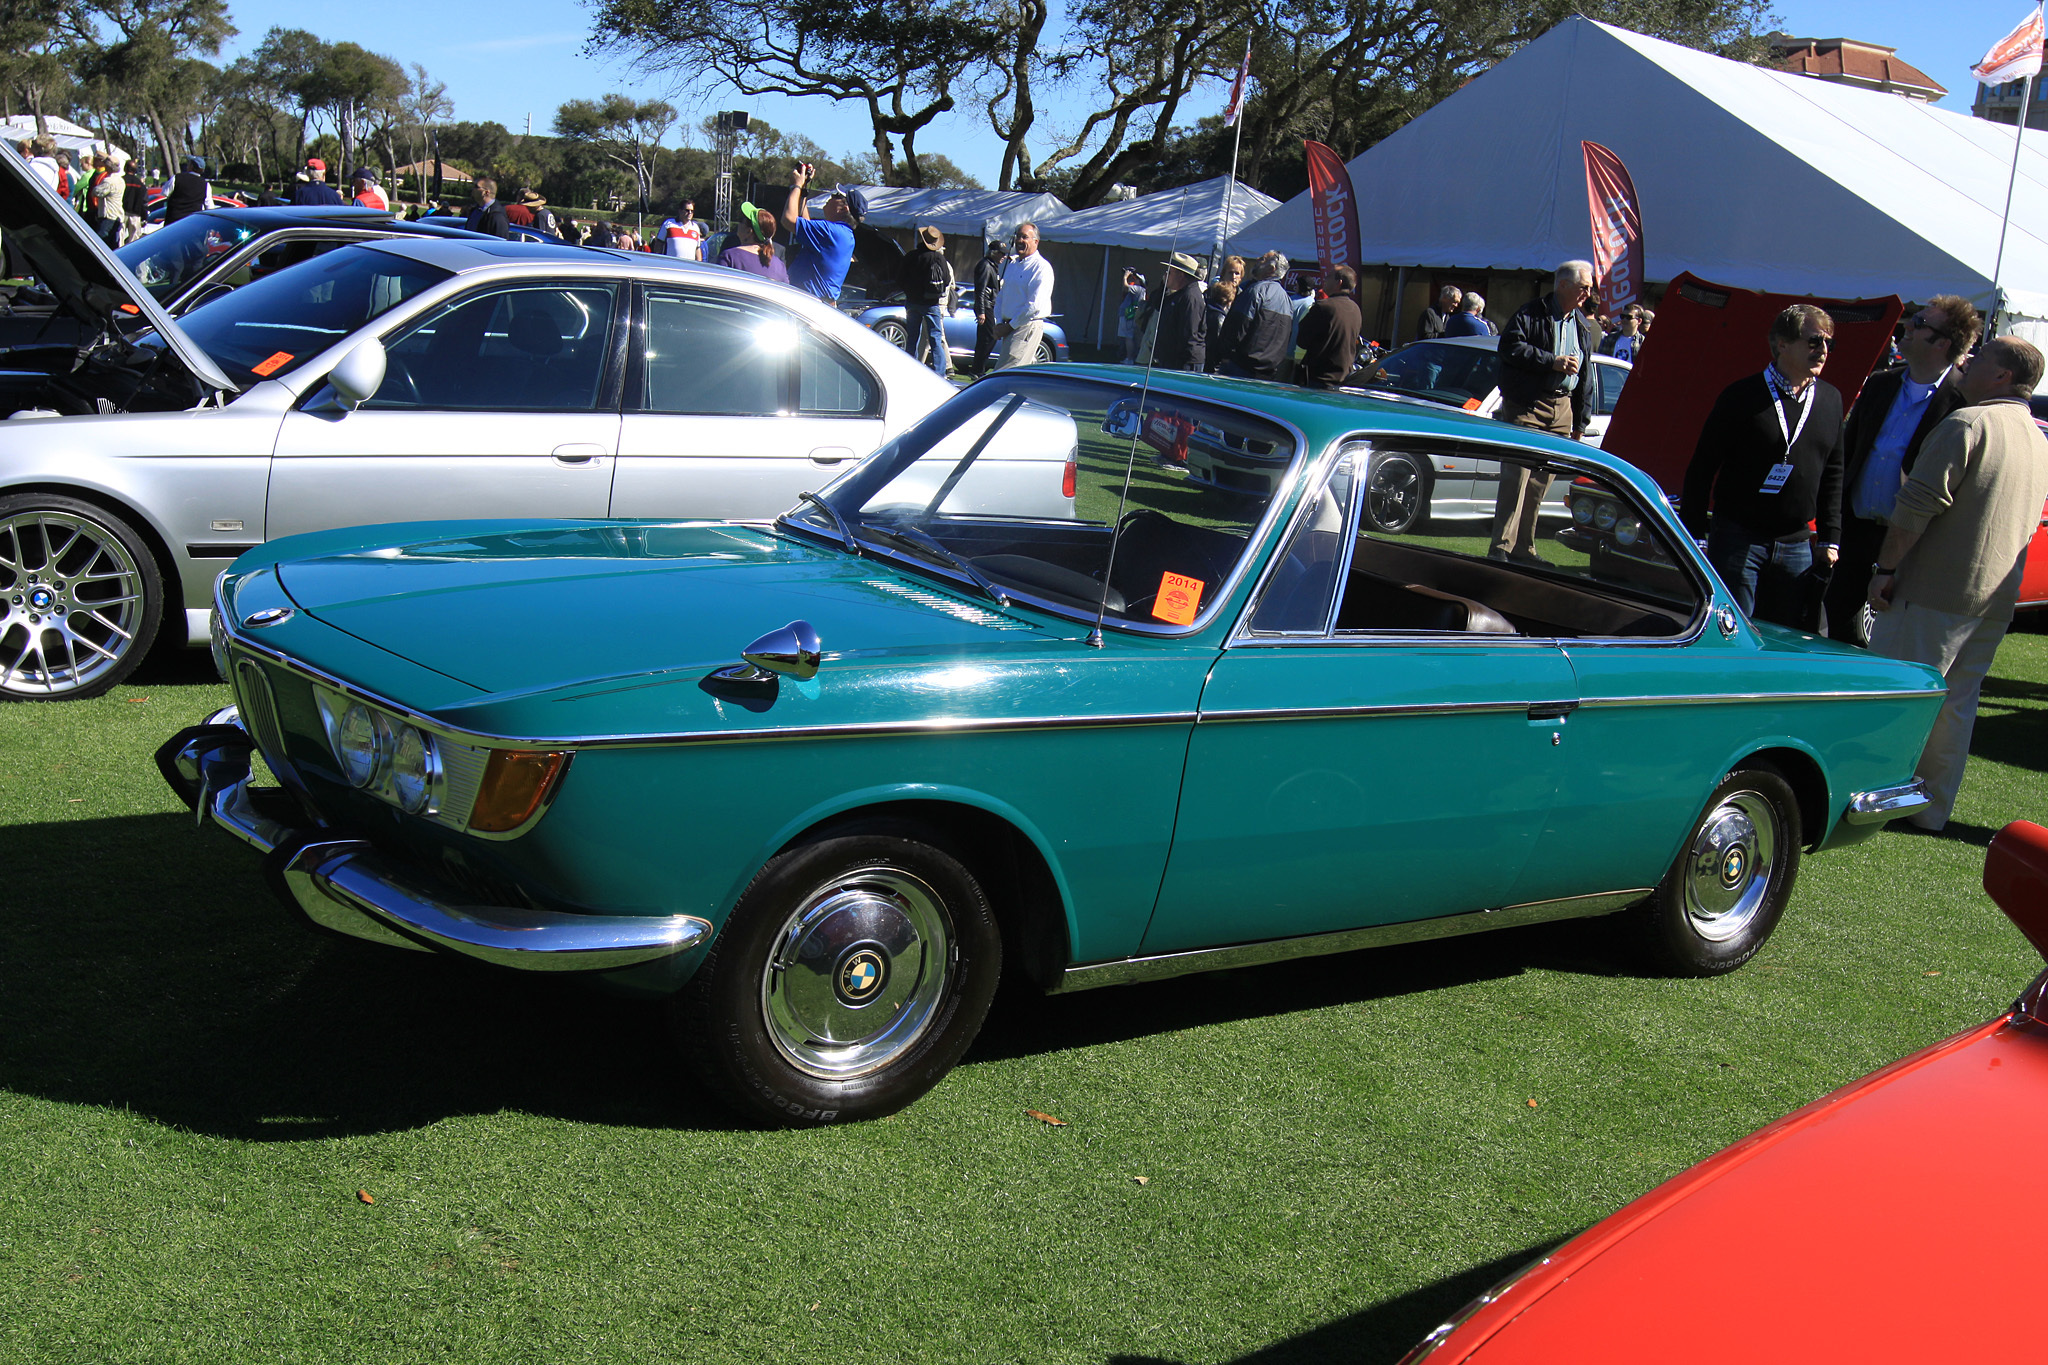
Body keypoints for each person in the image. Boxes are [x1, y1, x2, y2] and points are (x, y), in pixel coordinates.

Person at [1867, 336, 2048, 831]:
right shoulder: (2037, 438)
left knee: (1897, 696)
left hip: (1934, 590)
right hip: (1993, 598)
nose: (1967, 361)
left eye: (1981, 356)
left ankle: (1873, 798)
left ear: (2003, 376)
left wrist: (1884, 570)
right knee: (1956, 707)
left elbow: (1916, 507)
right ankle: (1929, 809)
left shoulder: (1969, 423)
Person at [1681, 303, 1847, 628]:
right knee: (1733, 633)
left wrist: (1831, 538)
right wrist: (1697, 536)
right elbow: (1702, 467)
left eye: (1829, 343)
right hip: (1739, 539)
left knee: (1784, 641)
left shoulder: (1830, 399)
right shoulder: (1742, 396)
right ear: (1782, 344)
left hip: (1797, 543)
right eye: (1814, 341)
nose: (1823, 350)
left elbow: (1834, 472)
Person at [1826, 295, 1978, 645]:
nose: (1908, 326)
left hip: (1914, 543)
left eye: (1920, 323)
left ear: (1942, 343)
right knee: (1837, 636)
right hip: (1856, 533)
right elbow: (1846, 458)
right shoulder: (1880, 384)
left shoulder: (1964, 403)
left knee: (1894, 641)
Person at [1491, 260, 1601, 564]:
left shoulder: (1582, 324)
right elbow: (1510, 348)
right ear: (1563, 284)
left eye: (1589, 288)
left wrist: (1580, 420)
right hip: (1528, 406)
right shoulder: (1531, 313)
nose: (1588, 293)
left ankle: (1524, 549)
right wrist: (1551, 361)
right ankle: (1500, 549)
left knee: (1539, 486)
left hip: (1562, 410)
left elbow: (1586, 376)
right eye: (1584, 287)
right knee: (1516, 480)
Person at [781, 166, 859, 303]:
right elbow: (805, 224)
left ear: (844, 208)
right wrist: (804, 190)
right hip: (816, 302)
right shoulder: (841, 233)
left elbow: (788, 220)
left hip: (810, 303)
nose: (831, 197)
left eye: (836, 196)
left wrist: (796, 186)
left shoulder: (832, 232)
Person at [1216, 251, 1294, 380]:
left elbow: (1236, 328)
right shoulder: (1287, 300)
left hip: (1241, 369)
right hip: (1268, 372)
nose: (1257, 259)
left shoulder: (1256, 291)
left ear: (1271, 269)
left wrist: (1224, 354)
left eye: (1263, 259)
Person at [992, 222, 1054, 370]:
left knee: (1004, 375)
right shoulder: (1013, 264)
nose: (1020, 241)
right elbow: (1002, 295)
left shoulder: (1041, 267)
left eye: (1025, 237)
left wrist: (1009, 327)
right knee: (1011, 378)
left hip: (1025, 326)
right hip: (1010, 326)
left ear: (1036, 241)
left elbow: (1034, 306)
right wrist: (999, 322)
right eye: (1018, 236)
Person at [898, 224, 953, 377]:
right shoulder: (939, 258)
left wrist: (910, 291)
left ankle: (910, 368)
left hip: (913, 302)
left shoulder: (911, 256)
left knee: (912, 338)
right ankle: (940, 372)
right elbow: (947, 280)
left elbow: (900, 278)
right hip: (932, 303)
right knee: (935, 338)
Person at [1297, 264, 1363, 390]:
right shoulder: (1356, 309)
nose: (1324, 280)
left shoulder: (1323, 307)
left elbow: (1302, 341)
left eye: (1328, 277)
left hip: (1319, 379)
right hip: (1343, 378)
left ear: (1339, 282)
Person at [1152, 251, 1207, 373]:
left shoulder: (1190, 297)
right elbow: (1157, 305)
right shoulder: (1180, 295)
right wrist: (1164, 285)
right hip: (1174, 361)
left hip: (1184, 363)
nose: (1166, 275)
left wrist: (1178, 363)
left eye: (1170, 272)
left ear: (1180, 275)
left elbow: (1189, 335)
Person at [718, 202, 789, 283]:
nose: (738, 223)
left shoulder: (729, 257)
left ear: (749, 231)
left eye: (741, 220)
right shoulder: (780, 266)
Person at [972, 239, 1005, 376]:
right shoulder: (986, 265)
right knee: (988, 338)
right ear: (994, 253)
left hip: (990, 305)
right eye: (1001, 254)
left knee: (986, 339)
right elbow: (980, 290)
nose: (1003, 257)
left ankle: (978, 369)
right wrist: (981, 312)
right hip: (986, 306)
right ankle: (978, 369)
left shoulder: (992, 265)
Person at [164, 155, 209, 224]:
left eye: (189, 163)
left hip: (173, 224)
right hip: (192, 225)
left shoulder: (177, 178)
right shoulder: (206, 185)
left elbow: (164, 193)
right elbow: (209, 207)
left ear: (192, 166)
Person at [1116, 269, 1147, 365]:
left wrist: (1125, 277)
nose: (1135, 280)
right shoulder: (1140, 290)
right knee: (1128, 337)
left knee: (1128, 337)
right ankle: (1129, 357)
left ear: (1141, 282)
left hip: (1128, 315)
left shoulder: (1138, 288)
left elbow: (1125, 287)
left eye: (1137, 279)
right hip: (1130, 315)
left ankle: (1129, 359)